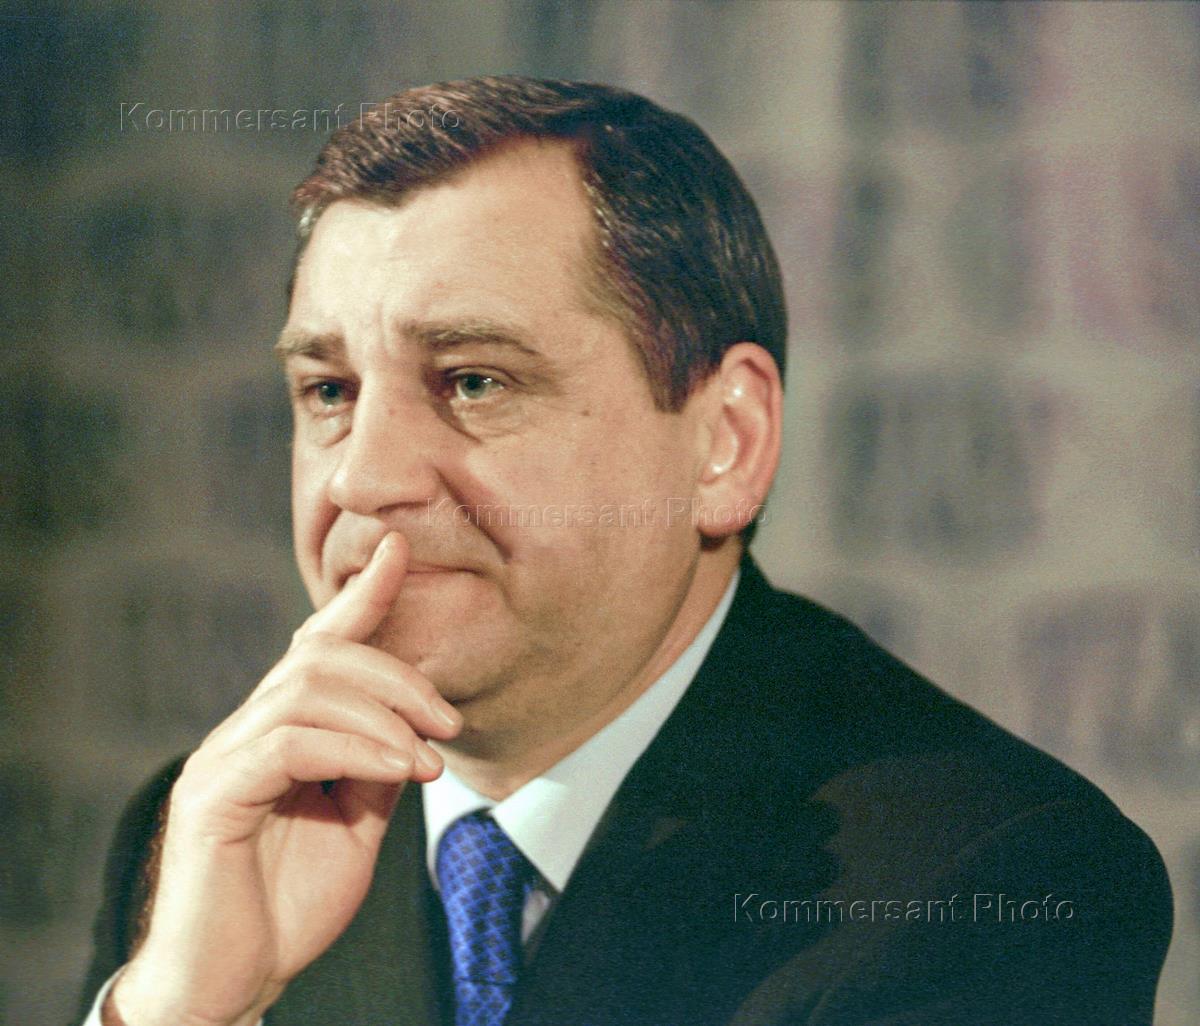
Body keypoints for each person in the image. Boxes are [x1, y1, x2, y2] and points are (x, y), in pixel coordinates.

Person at [76, 76, 1172, 1026]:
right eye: (328, 392)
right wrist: (179, 1011)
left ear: (724, 443)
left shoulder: (982, 881)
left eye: (473, 381)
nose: (363, 480)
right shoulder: (215, 831)